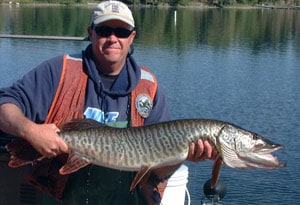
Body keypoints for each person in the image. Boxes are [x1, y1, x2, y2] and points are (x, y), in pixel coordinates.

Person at [0, 1, 215, 204]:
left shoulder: (148, 88)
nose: (113, 38)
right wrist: (30, 131)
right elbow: (4, 105)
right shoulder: (60, 71)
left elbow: (158, 173)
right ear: (91, 33)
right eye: (104, 31)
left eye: (121, 32)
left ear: (132, 37)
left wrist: (181, 156)